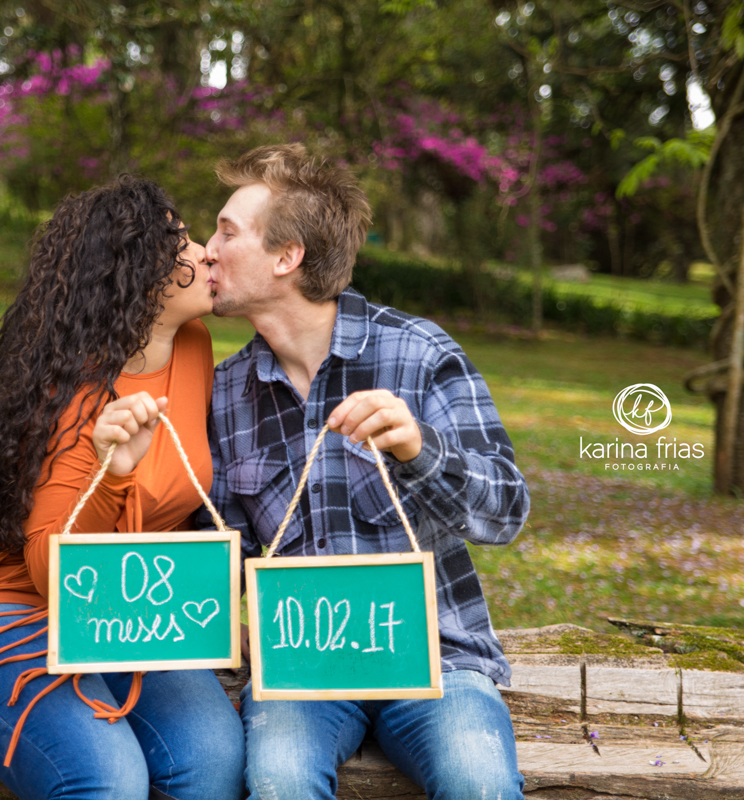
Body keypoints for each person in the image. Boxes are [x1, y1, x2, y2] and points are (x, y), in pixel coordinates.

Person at [198, 144, 531, 800]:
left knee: (479, 781)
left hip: (438, 661)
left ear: (286, 257)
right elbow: (220, 553)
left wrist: (419, 449)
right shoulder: (227, 392)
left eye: (226, 233)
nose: (207, 251)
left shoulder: (419, 352)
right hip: (303, 669)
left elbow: (507, 512)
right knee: (280, 780)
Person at [0, 175, 245, 800]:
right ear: (134, 275)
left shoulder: (192, 345)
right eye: (183, 244)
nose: (205, 254)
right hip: (4, 609)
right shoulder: (72, 389)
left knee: (212, 761)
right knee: (108, 778)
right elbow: (50, 572)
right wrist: (110, 475)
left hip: (127, 612)